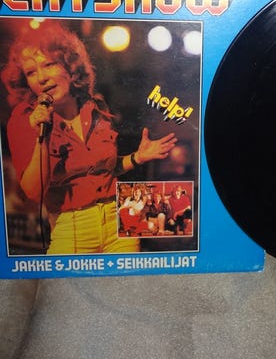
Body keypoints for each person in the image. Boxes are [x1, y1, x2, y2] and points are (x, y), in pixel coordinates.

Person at [1, 20, 177, 254]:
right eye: (31, 72)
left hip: (119, 218)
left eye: (49, 64)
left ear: (70, 66)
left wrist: (137, 158)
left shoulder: (96, 108)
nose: (41, 78)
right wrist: (41, 136)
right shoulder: (25, 119)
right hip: (71, 227)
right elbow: (34, 191)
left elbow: (103, 170)